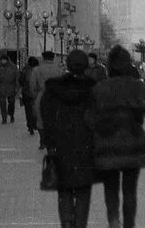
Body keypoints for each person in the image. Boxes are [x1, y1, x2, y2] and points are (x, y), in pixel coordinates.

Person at [92, 45, 145, 228]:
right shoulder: (140, 87)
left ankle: (114, 221)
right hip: (133, 141)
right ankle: (129, 224)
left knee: (110, 188)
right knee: (130, 190)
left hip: (107, 141)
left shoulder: (100, 88)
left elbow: (91, 113)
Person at [41, 49, 97, 228]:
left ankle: (66, 224)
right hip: (86, 145)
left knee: (64, 187)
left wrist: (48, 142)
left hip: (60, 145)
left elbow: (46, 116)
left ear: (67, 64)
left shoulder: (53, 88)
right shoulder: (94, 88)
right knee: (83, 189)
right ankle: (80, 224)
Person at [30, 51, 62, 150]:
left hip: (42, 95)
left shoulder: (37, 69)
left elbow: (32, 85)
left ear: (43, 58)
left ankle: (43, 141)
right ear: (53, 58)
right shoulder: (59, 69)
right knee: (54, 119)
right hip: (56, 97)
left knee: (40, 120)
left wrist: (36, 95)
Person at [0, 55, 19, 124]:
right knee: (2, 104)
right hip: (1, 87)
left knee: (11, 103)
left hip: (11, 87)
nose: (3, 61)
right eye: (2, 60)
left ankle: (11, 114)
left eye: (4, 60)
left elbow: (17, 77)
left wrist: (17, 87)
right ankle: (4, 118)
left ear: (7, 60)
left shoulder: (13, 67)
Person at [19, 56, 40, 135]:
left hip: (26, 94)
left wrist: (24, 87)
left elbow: (20, 81)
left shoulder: (24, 70)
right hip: (35, 94)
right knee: (35, 110)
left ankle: (30, 126)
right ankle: (34, 125)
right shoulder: (37, 71)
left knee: (28, 111)